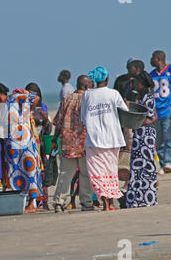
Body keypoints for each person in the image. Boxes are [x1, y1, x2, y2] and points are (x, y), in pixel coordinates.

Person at [81, 66, 128, 211]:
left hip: (94, 139)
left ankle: (105, 202)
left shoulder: (87, 95)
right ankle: (111, 203)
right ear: (107, 79)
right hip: (112, 138)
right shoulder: (114, 94)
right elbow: (125, 111)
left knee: (98, 173)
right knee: (111, 171)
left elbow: (83, 117)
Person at [52, 75, 94, 212]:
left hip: (67, 143)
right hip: (85, 143)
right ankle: (86, 202)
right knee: (85, 174)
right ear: (87, 86)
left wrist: (54, 140)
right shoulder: (89, 100)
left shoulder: (67, 99)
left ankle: (59, 202)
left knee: (65, 174)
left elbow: (58, 122)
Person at [1, 87, 43, 213]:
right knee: (29, 172)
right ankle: (31, 202)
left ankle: (31, 202)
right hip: (25, 141)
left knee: (25, 172)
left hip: (19, 142)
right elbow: (36, 98)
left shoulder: (11, 102)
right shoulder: (20, 105)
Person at [126, 72, 158, 208]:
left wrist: (133, 121)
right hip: (140, 134)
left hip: (145, 134)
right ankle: (138, 198)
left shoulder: (149, 98)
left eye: (137, 82)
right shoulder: (142, 97)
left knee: (146, 166)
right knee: (137, 166)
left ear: (142, 84)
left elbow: (150, 118)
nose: (135, 85)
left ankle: (145, 198)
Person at [25, 82, 51, 209]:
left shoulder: (43, 108)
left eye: (33, 94)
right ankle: (33, 200)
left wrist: (46, 120)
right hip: (29, 145)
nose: (31, 97)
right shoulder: (23, 109)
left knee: (43, 172)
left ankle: (44, 201)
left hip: (41, 145)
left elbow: (48, 129)